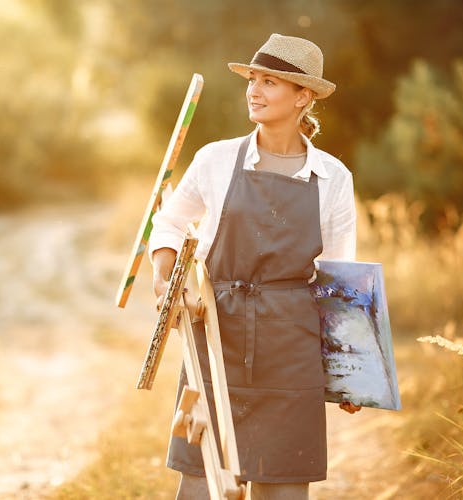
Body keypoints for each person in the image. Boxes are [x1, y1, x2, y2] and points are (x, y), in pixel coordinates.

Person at [148, 33, 361, 499]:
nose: (254, 90)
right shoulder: (216, 159)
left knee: (282, 486)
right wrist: (165, 278)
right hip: (215, 334)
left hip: (291, 345)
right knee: (201, 480)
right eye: (252, 80)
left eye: (270, 82)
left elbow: (341, 280)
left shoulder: (332, 178)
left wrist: (350, 375)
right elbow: (167, 223)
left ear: (304, 96)